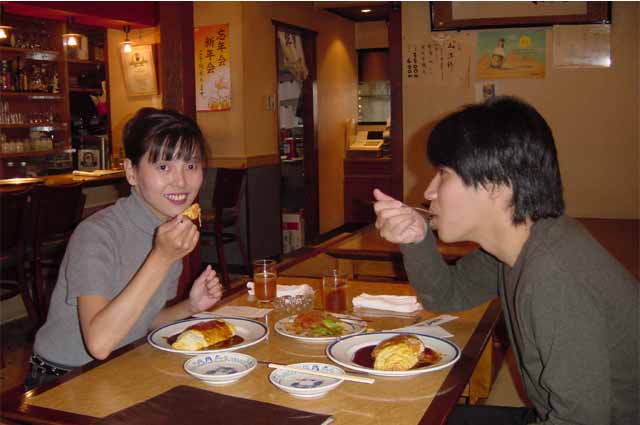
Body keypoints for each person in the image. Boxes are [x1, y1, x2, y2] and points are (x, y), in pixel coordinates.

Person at [373, 96, 638, 425]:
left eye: (443, 174)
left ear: (496, 185)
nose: (428, 192)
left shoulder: (554, 275)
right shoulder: (521, 244)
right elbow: (447, 294)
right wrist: (416, 239)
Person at [27, 108, 223, 390]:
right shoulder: (95, 235)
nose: (181, 181)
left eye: (191, 166)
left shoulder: (168, 227)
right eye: (164, 167)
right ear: (132, 172)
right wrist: (161, 257)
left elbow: (142, 320)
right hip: (63, 379)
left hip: (121, 365)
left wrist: (190, 306)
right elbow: (99, 343)